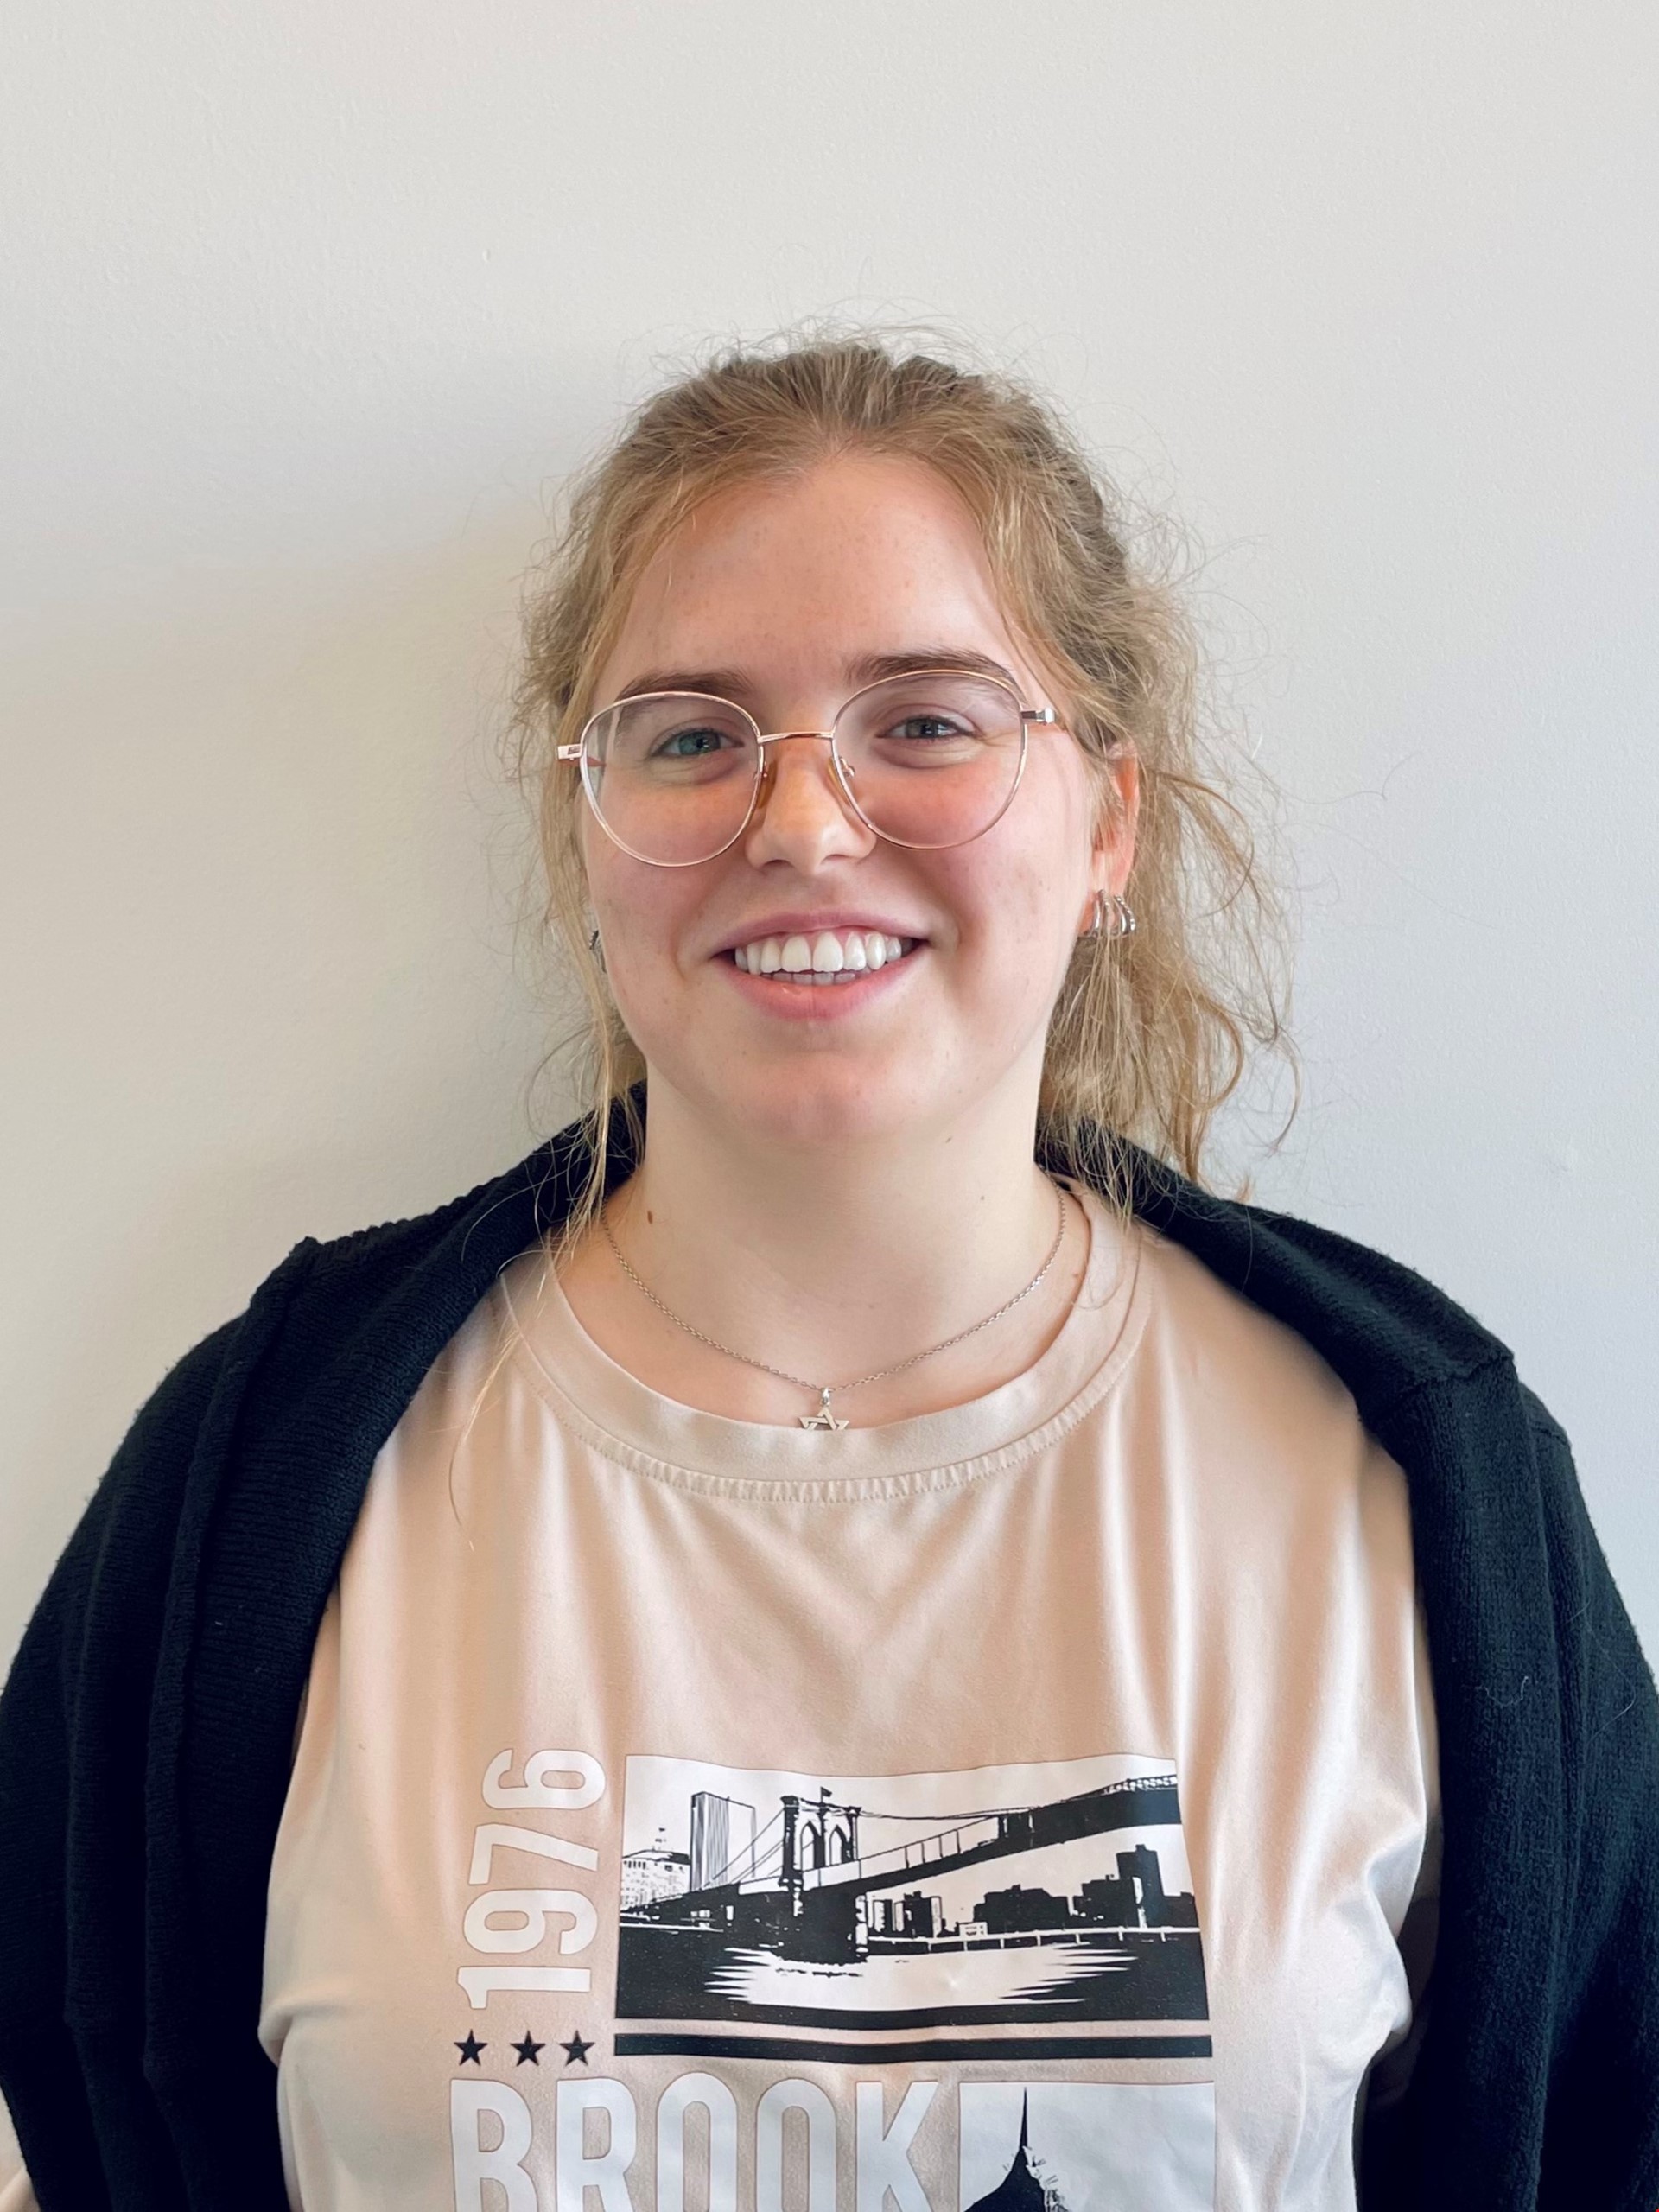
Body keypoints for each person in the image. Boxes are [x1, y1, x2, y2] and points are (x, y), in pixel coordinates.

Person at [0, 334, 1655, 2212]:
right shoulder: (263, 1480)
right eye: (692, 735)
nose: (799, 823)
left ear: (1108, 820)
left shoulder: (1419, 1481)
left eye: (927, 721)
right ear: (585, 828)